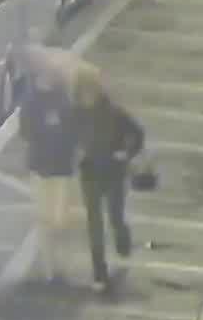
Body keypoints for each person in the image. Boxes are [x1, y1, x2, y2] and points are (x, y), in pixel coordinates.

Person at [15, 65, 88, 286]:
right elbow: (25, 131)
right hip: (40, 167)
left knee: (59, 220)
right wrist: (43, 128)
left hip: (61, 168)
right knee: (44, 220)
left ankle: (58, 264)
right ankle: (51, 270)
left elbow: (75, 129)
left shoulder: (63, 98)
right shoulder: (31, 101)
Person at [75, 70, 146, 291]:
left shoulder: (114, 114)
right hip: (90, 174)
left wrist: (126, 153)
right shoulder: (76, 114)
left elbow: (137, 133)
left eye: (89, 92)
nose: (86, 97)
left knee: (115, 216)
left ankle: (122, 238)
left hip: (113, 174)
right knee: (94, 222)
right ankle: (99, 270)